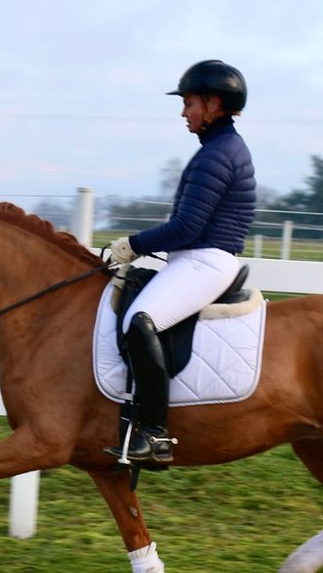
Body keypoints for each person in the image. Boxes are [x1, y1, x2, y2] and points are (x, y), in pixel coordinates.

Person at [105, 60, 257, 464]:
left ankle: (154, 433)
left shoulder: (217, 154)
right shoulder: (219, 148)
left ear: (212, 105)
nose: (183, 112)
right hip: (194, 258)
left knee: (140, 321)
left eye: (189, 103)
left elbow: (187, 226)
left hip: (204, 259)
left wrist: (133, 244)